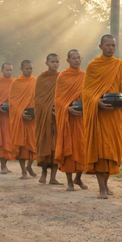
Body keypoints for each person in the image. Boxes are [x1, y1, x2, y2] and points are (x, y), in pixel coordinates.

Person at [83, 34, 122, 199]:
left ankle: (106, 183)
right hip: (99, 115)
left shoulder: (119, 65)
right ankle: (101, 188)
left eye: (113, 45)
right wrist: (96, 102)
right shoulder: (93, 66)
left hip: (114, 115)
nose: (111, 48)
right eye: (108, 45)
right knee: (100, 150)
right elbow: (87, 91)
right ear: (100, 46)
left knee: (111, 150)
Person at [54, 50, 88, 191]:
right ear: (68, 60)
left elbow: (88, 95)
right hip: (67, 119)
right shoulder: (63, 76)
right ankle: (69, 182)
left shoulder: (85, 76)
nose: (77, 60)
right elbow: (58, 99)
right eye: (74, 58)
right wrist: (67, 108)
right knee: (68, 147)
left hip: (81, 118)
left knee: (82, 148)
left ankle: (78, 178)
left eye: (79, 58)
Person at [9, 60, 38, 179]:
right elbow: (12, 102)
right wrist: (20, 113)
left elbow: (39, 98)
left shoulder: (35, 81)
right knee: (21, 146)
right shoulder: (16, 83)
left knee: (34, 144)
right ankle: (23, 171)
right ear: (21, 69)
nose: (29, 70)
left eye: (31, 68)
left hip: (33, 118)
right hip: (21, 119)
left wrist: (37, 111)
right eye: (27, 68)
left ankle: (29, 166)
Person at [35, 53, 61, 185]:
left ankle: (53, 177)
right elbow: (38, 100)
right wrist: (48, 109)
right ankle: (44, 173)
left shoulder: (61, 77)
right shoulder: (41, 78)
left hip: (58, 117)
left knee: (56, 146)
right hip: (45, 117)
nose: (55, 64)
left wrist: (59, 108)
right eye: (52, 62)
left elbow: (63, 95)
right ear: (47, 63)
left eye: (57, 62)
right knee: (45, 144)